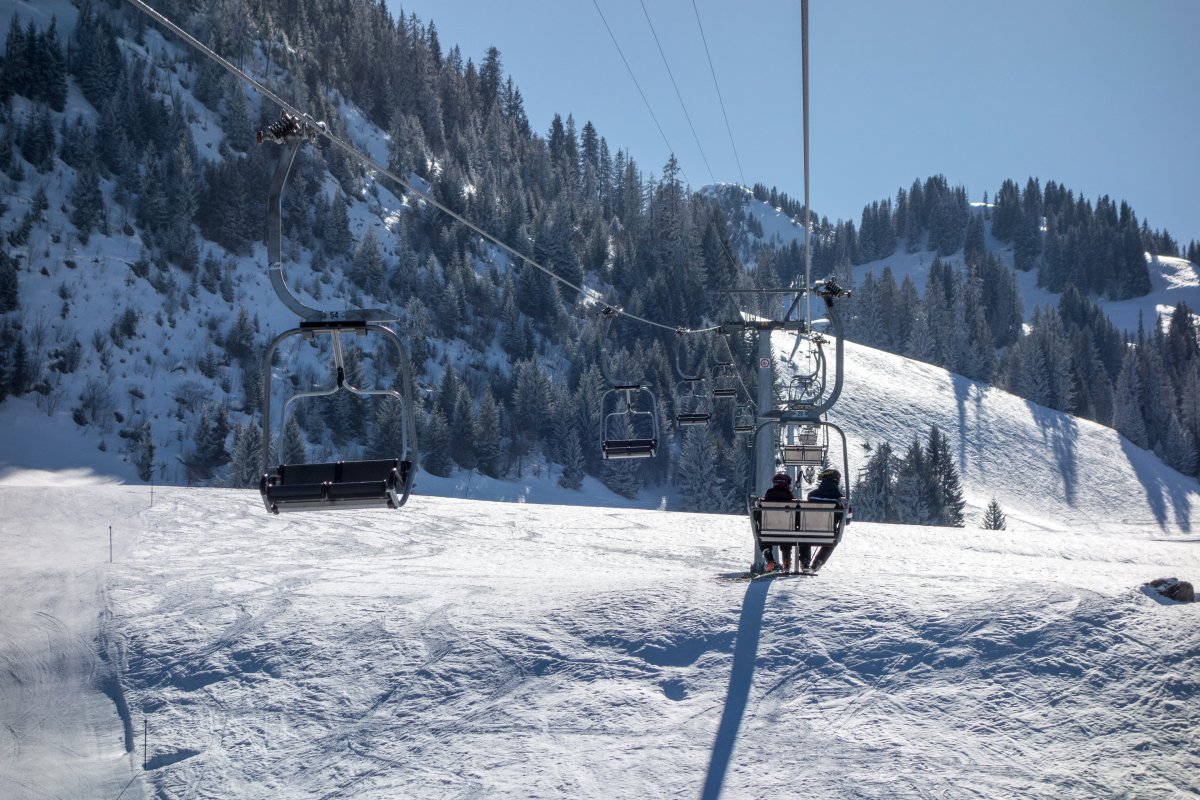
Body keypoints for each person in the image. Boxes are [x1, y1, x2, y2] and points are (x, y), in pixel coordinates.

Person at [803, 467, 847, 572]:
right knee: (833, 540)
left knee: (803, 536)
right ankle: (818, 561)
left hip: (808, 530)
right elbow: (847, 519)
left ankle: (804, 561)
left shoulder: (812, 495)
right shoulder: (839, 498)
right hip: (828, 532)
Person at [761, 470, 796, 572]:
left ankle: (769, 559)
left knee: (763, 539)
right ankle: (786, 562)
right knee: (786, 537)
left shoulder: (768, 495)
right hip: (786, 529)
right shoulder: (790, 498)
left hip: (768, 529)